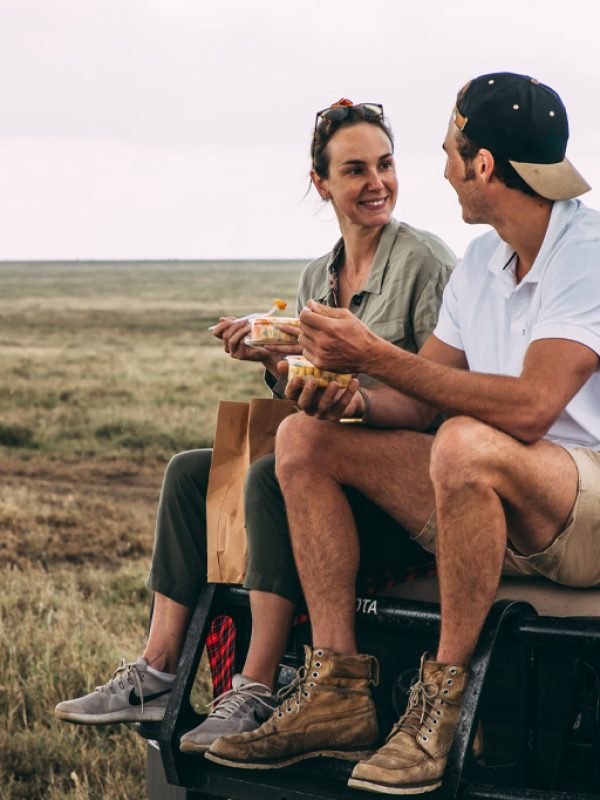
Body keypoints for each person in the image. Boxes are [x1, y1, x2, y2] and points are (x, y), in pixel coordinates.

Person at [203, 72, 600, 795]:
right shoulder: (481, 260)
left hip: (580, 502)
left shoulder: (587, 251)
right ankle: (337, 691)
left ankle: (439, 708)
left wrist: (375, 354)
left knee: (465, 442)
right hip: (490, 487)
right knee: (302, 440)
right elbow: (417, 403)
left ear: (483, 165)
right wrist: (343, 391)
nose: (442, 170)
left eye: (450, 152)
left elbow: (533, 409)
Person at [54, 99, 455, 749]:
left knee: (268, 475)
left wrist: (344, 392)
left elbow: (437, 392)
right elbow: (309, 396)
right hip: (325, 466)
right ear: (320, 183)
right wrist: (274, 359)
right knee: (190, 474)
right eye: (355, 169)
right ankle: (157, 671)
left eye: (385, 164)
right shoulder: (317, 277)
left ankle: (255, 686)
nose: (377, 182)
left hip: (395, 488)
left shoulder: (426, 262)